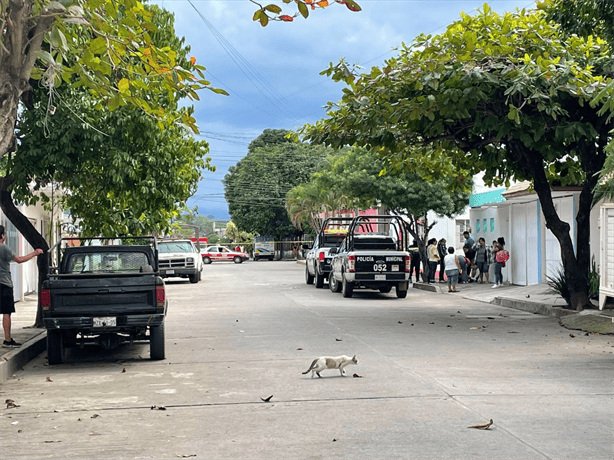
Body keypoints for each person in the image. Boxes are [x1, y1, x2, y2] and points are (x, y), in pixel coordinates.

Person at [0, 226, 44, 348]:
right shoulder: (3, 248)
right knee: (6, 312)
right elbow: (19, 259)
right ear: (2, 236)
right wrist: (35, 253)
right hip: (4, 284)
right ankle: (7, 340)